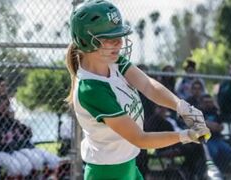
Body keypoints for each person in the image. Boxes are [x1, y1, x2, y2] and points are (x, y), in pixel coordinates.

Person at [65, 1, 210, 179]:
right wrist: (185, 135)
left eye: (119, 36)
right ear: (85, 41)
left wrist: (182, 107)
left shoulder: (113, 61)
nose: (118, 43)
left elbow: (148, 86)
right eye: (109, 38)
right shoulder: (91, 89)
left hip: (129, 166)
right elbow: (140, 138)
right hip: (107, 174)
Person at [0, 96, 61, 179]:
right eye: (2, 105)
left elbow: (27, 135)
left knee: (34, 164)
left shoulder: (10, 121)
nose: (5, 108)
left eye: (7, 105)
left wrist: (23, 127)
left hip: (10, 151)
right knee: (17, 166)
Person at [200, 94, 231, 173]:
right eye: (206, 102)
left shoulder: (215, 112)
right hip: (205, 140)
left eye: (210, 102)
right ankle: (208, 172)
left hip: (217, 138)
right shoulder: (198, 112)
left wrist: (210, 125)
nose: (208, 104)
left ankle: (220, 171)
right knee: (213, 152)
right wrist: (210, 125)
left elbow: (221, 127)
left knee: (229, 152)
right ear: (201, 103)